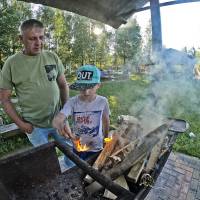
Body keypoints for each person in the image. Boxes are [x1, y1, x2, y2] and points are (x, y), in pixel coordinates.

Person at [0, 19, 71, 148]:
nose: (38, 43)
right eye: (32, 39)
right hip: (34, 126)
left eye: (41, 37)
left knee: (71, 153)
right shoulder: (11, 64)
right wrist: (22, 125)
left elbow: (63, 85)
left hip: (58, 120)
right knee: (45, 161)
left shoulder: (52, 56)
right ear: (21, 39)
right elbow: (5, 99)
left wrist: (64, 114)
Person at [53, 65, 110, 160]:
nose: (86, 92)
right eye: (83, 87)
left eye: (90, 87)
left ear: (98, 85)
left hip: (96, 147)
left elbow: (106, 121)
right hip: (78, 147)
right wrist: (59, 123)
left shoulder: (103, 101)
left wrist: (106, 138)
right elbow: (59, 118)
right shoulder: (72, 102)